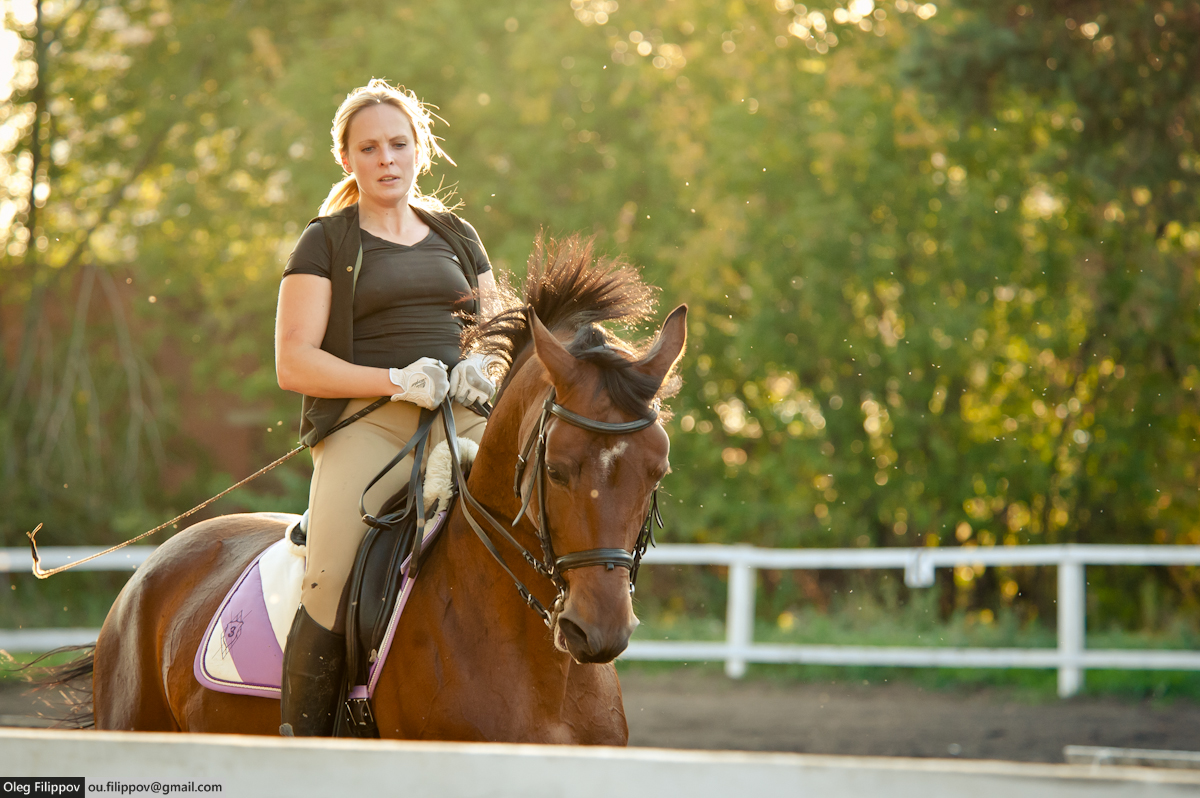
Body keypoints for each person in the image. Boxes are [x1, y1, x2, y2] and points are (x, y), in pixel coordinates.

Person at [273, 79, 500, 736]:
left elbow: (501, 330)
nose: (386, 159)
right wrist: (394, 379)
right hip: (366, 428)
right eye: (369, 148)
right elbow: (294, 362)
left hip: (466, 420)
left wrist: (485, 366)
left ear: (421, 149)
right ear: (346, 159)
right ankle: (304, 747)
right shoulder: (328, 242)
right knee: (327, 582)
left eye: (399, 144)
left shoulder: (458, 234)